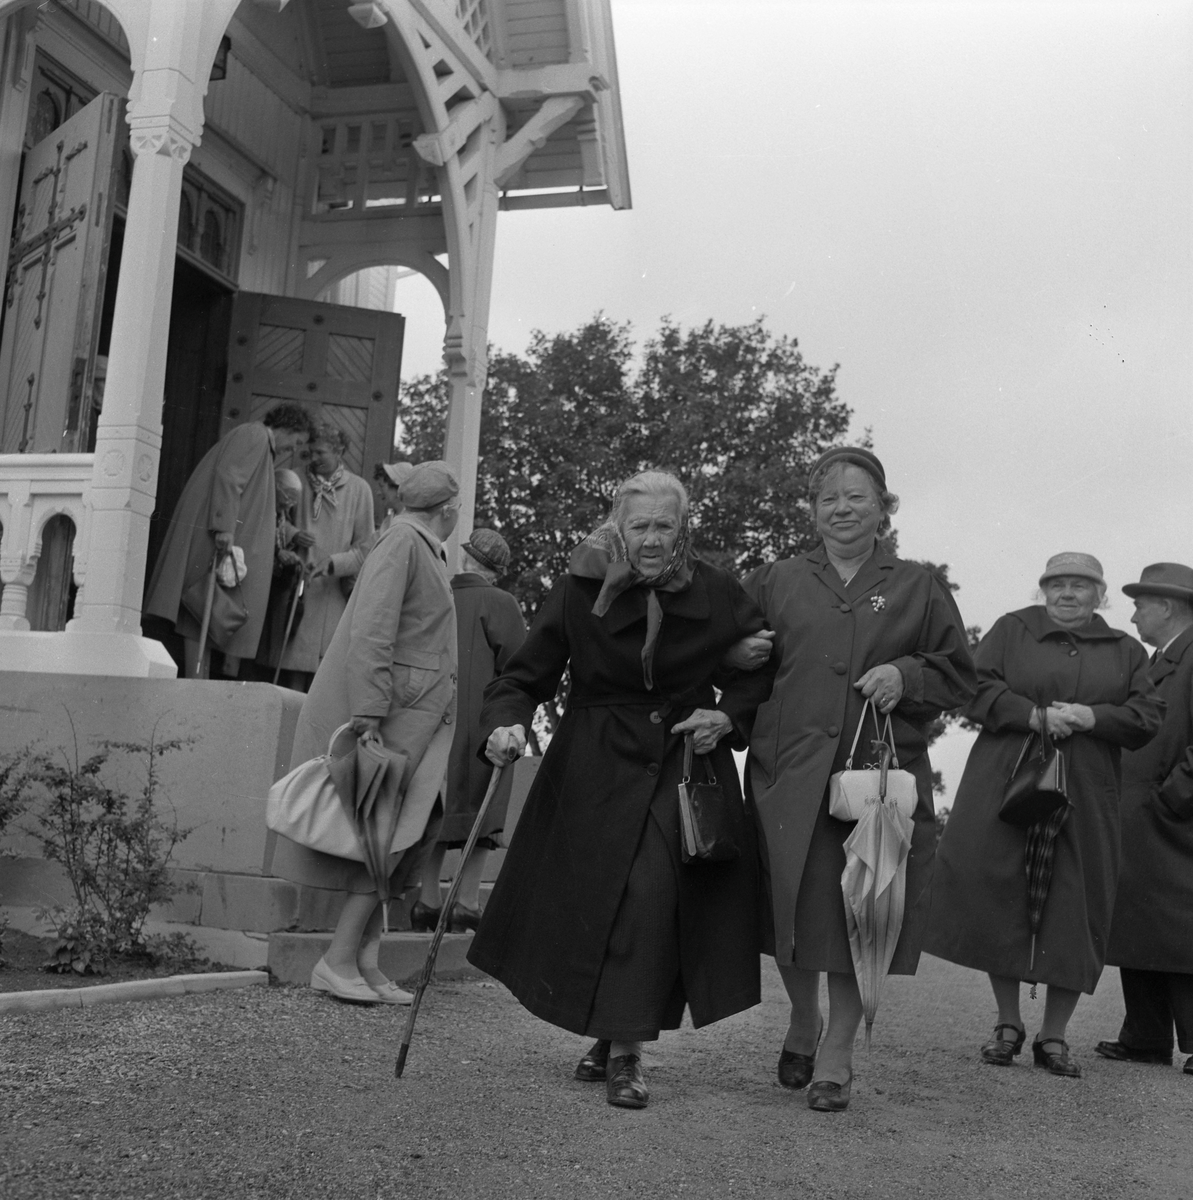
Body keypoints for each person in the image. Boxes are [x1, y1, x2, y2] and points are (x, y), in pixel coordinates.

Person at [468, 471, 774, 1110]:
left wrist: (728, 715)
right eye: (641, 526)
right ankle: (613, 1033)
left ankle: (628, 1050)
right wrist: (504, 726)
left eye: (667, 525)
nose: (654, 539)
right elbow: (526, 677)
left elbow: (762, 667)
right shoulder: (580, 587)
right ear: (618, 525)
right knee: (607, 896)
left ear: (683, 527)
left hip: (683, 764)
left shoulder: (716, 591)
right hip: (594, 764)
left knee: (649, 894)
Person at [742, 446, 975, 1112]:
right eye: (827, 499)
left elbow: (961, 673)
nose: (841, 509)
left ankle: (837, 1051)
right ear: (811, 512)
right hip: (786, 771)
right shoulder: (775, 579)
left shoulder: (918, 584)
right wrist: (732, 654)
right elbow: (740, 663)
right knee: (789, 905)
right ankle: (801, 1018)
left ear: (885, 508)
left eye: (857, 497)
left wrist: (908, 677)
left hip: (875, 776)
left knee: (858, 911)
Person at [925, 553, 1163, 1079]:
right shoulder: (1012, 631)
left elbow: (1148, 717)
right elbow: (974, 687)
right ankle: (1007, 1025)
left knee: (1075, 903)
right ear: (1043, 591)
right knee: (1001, 890)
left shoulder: (1126, 650)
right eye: (1057, 584)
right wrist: (1032, 715)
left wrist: (1092, 716)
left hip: (1087, 791)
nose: (1067, 594)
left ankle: (1054, 1035)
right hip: (1008, 779)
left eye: (1080, 585)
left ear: (1099, 595)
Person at [268, 462, 461, 1005]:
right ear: (449, 509)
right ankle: (336, 960)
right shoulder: (404, 541)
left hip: (415, 718)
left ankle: (366, 962)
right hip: (396, 717)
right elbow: (374, 628)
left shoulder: (416, 543)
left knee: (403, 839)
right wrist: (371, 712)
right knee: (384, 838)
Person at [1097, 563, 1193, 1075]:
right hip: (1146, 818)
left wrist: (1174, 798)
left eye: (1139, 605)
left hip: (1175, 818)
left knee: (1182, 929)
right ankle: (1145, 1037)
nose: (1132, 614)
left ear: (1168, 607)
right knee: (1141, 923)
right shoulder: (1165, 660)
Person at [145, 403, 316, 678]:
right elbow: (229, 477)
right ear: (288, 427)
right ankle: (194, 680)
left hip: (220, 535)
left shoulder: (259, 440)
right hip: (215, 535)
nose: (294, 450)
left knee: (206, 610)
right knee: (202, 607)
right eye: (297, 441)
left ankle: (198, 678)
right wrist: (224, 528)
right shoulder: (255, 435)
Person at [414, 529, 527, 933]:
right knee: (484, 807)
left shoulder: (436, 593)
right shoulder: (501, 602)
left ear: (465, 559)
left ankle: (426, 901)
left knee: (435, 805)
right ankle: (466, 901)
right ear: (496, 571)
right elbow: (520, 667)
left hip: (432, 717)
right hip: (484, 721)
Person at [276, 425, 374, 691]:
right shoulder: (293, 478)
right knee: (288, 674)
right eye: (310, 452)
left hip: (332, 597)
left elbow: (366, 548)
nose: (314, 458)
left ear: (339, 450)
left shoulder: (359, 490)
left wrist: (333, 564)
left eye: (320, 452)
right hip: (294, 591)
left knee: (323, 680)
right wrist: (293, 534)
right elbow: (271, 520)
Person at [253, 469, 307, 675]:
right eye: (288, 499)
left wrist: (288, 555)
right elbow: (256, 535)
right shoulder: (263, 503)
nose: (290, 505)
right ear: (276, 488)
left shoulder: (281, 511)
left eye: (294, 502)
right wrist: (277, 552)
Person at [373, 461, 415, 535]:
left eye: (382, 486)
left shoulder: (412, 523)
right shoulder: (387, 522)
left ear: (398, 488)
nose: (378, 493)